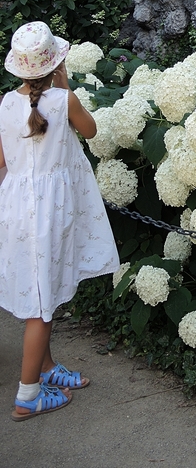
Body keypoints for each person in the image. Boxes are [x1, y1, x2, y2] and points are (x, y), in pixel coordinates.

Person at [0, 21, 120, 420]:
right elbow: (91, 129)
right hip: (50, 215)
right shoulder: (63, 99)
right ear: (56, 64)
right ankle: (27, 395)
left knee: (39, 293)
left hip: (18, 211)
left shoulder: (4, 104)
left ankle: (47, 368)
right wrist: (65, 86)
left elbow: (2, 163)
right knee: (41, 306)